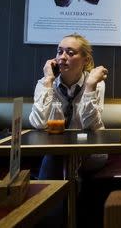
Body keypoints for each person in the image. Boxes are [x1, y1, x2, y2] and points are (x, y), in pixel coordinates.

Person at [29, 33, 108, 179]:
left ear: (86, 59)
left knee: (59, 159)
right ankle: (68, 197)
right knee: (57, 158)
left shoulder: (95, 83)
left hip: (90, 151)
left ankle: (48, 198)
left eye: (70, 53)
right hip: (55, 150)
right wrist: (48, 81)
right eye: (59, 52)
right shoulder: (44, 83)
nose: (62, 57)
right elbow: (39, 124)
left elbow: (89, 125)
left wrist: (90, 86)